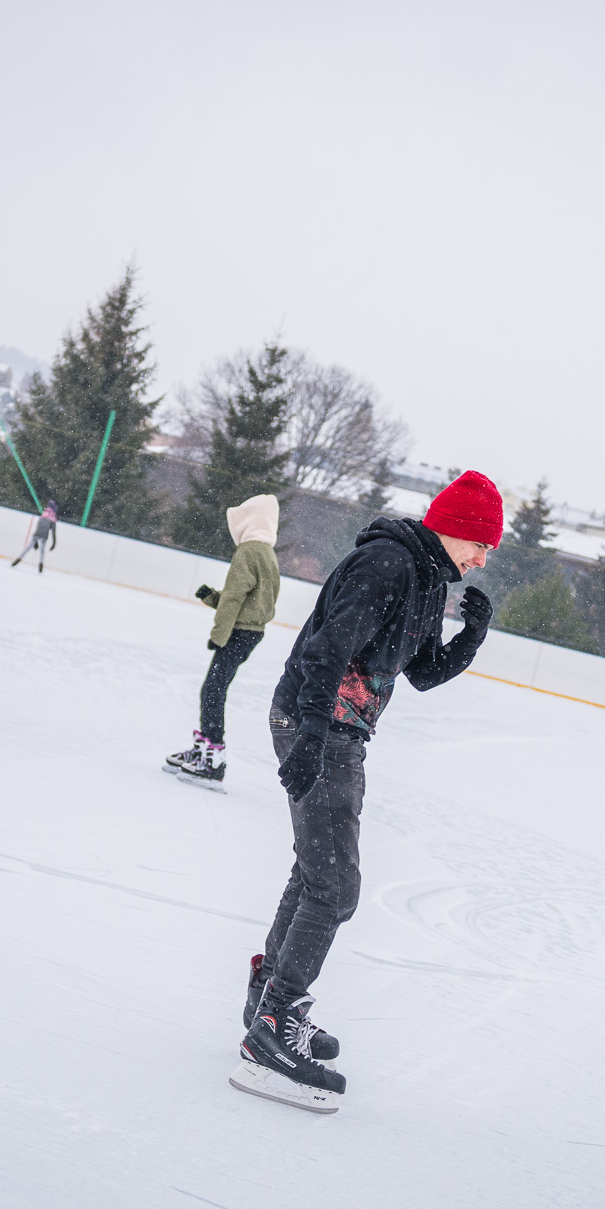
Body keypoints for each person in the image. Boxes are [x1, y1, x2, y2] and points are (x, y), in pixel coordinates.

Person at [231, 471, 500, 1113]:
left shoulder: (429, 581)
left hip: (339, 729)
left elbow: (421, 673)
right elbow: (326, 653)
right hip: (315, 721)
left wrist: (470, 638)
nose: (483, 558)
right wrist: (312, 737)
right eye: (480, 543)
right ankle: (273, 1026)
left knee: (315, 871)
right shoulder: (386, 564)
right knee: (335, 886)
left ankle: (271, 998)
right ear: (451, 527)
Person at [166, 494, 282, 789]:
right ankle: (205, 749)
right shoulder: (267, 552)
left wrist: (219, 635)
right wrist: (212, 598)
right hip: (252, 632)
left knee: (212, 691)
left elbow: (234, 599)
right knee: (213, 690)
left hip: (238, 633)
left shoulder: (248, 551)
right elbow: (250, 601)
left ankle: (213, 760)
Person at [11, 498, 58, 571]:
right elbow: (53, 532)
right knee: (42, 550)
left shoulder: (44, 514)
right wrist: (54, 542)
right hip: (44, 536)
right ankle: (41, 563)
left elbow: (39, 526)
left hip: (37, 533)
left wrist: (36, 541)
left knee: (28, 547)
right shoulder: (53, 519)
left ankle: (19, 558)